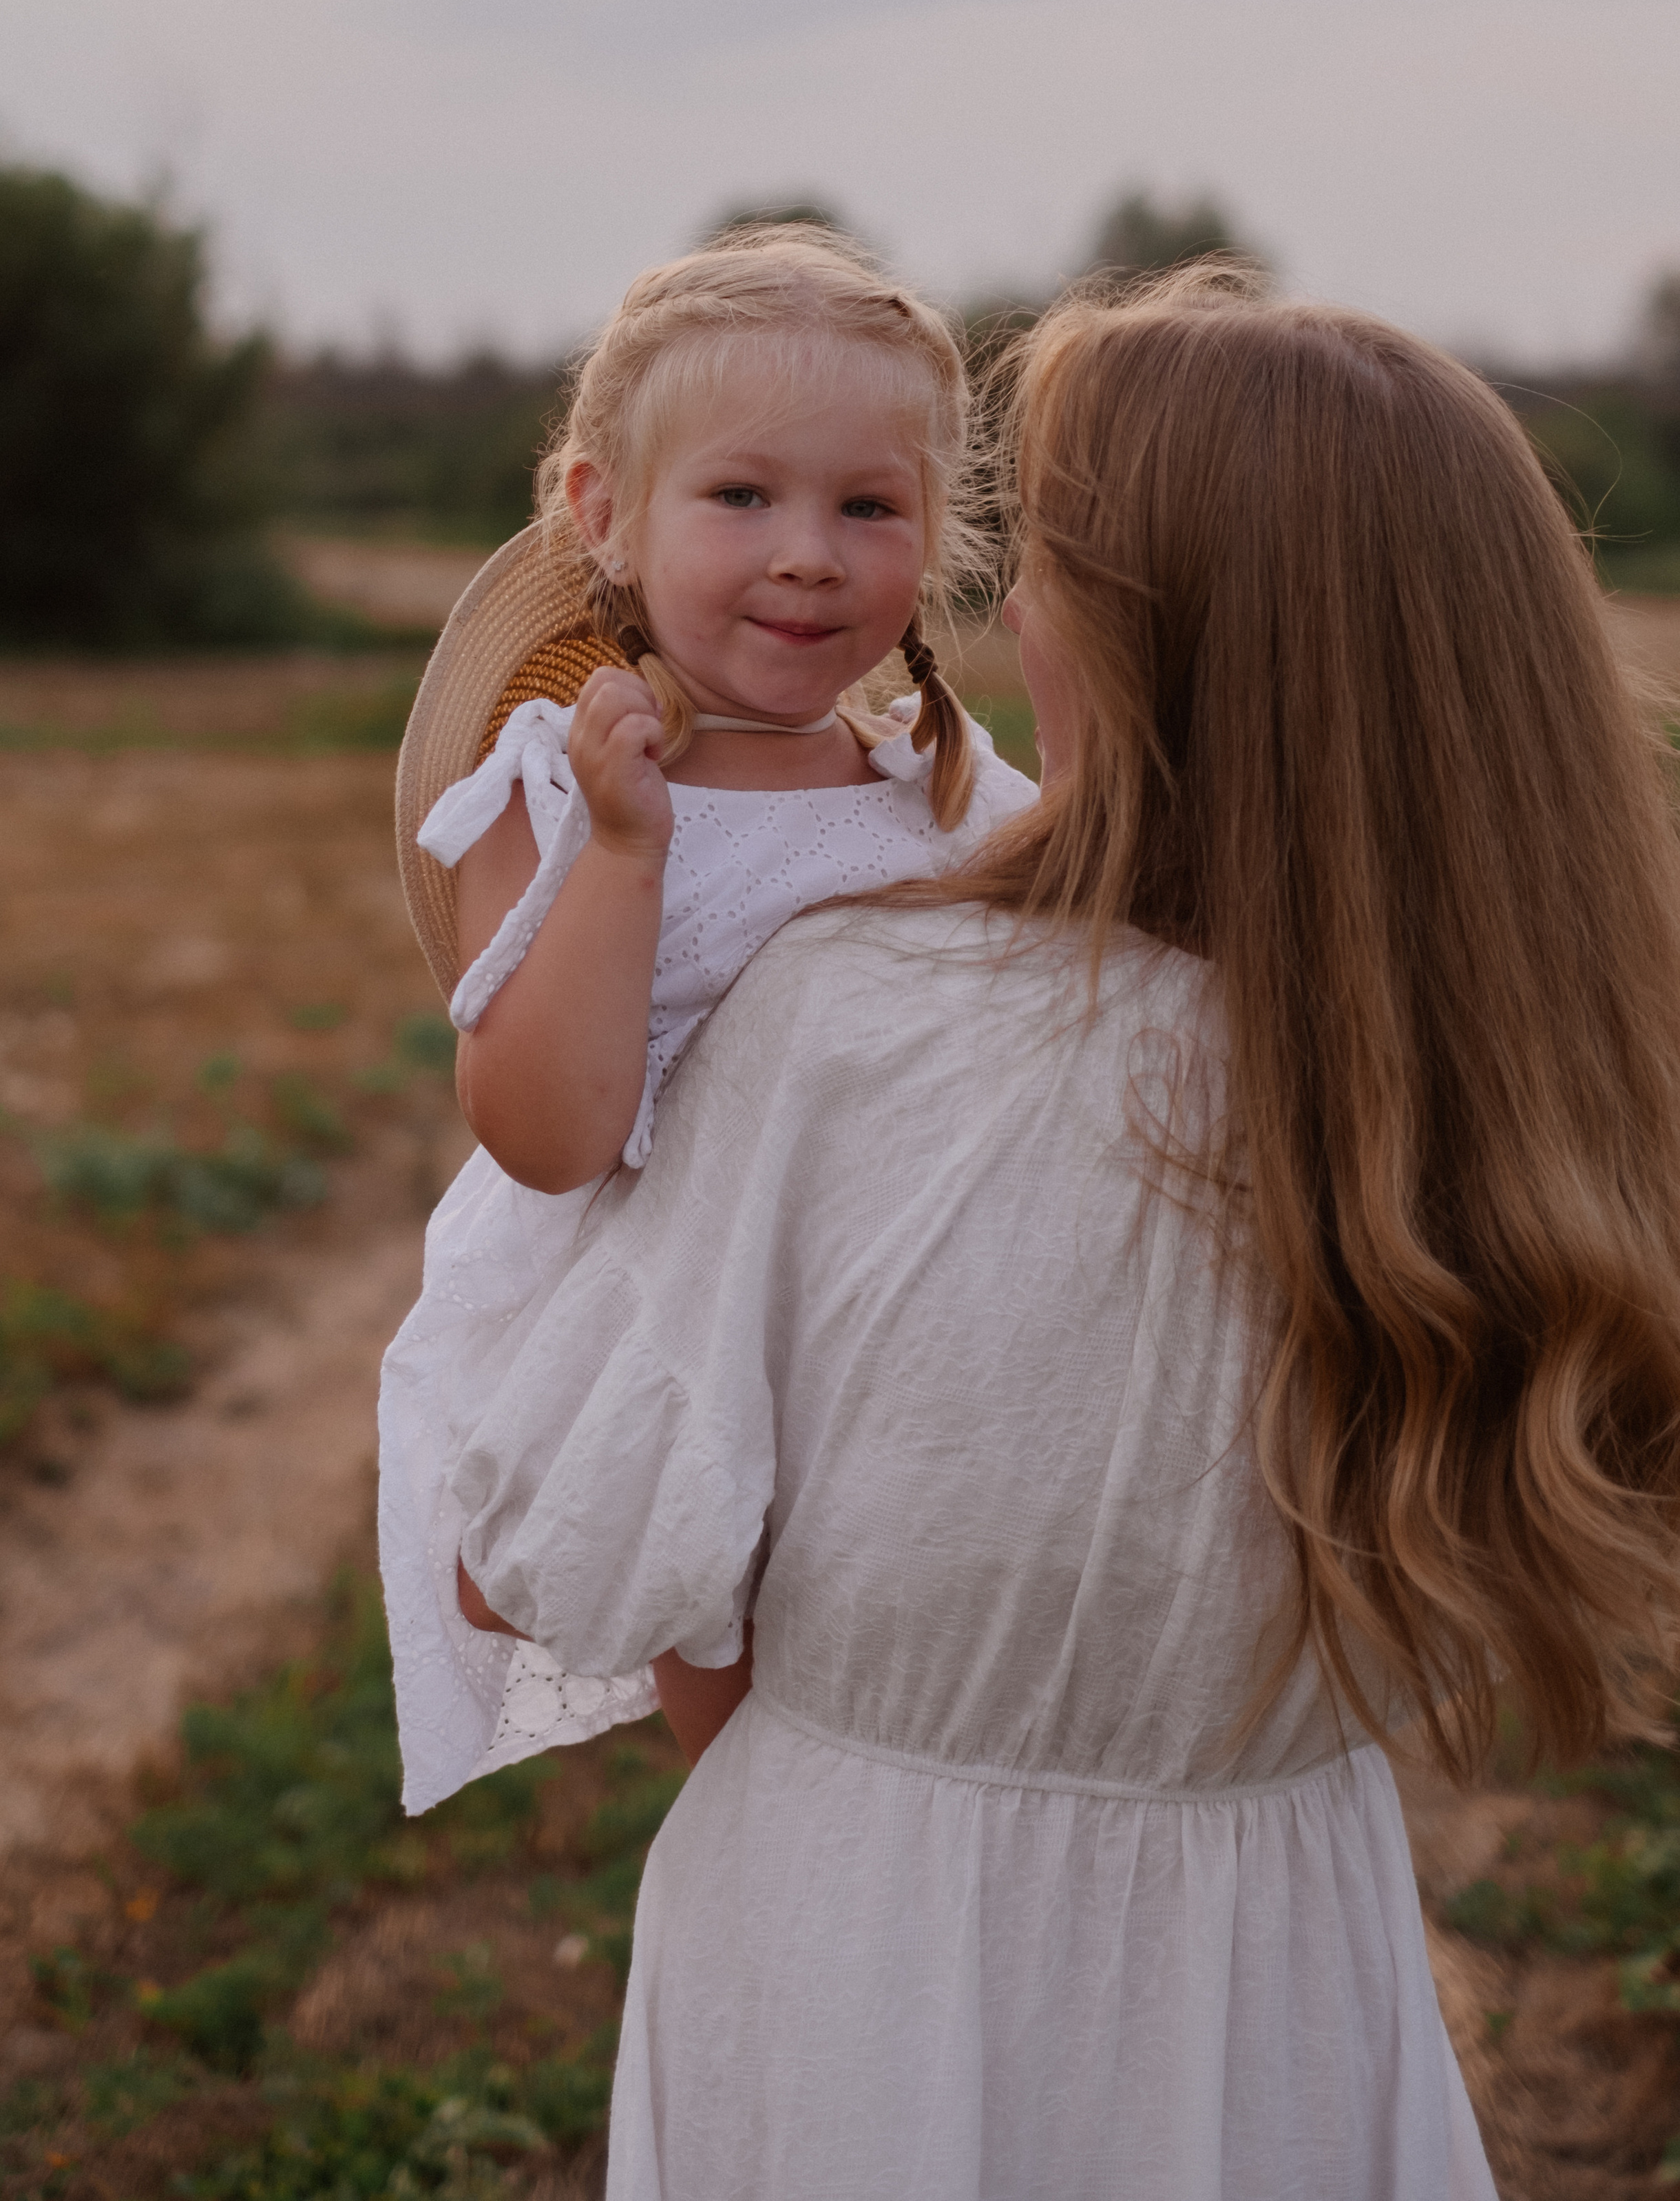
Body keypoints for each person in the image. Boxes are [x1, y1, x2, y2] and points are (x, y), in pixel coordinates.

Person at [450, 267, 1680, 2199]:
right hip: (1289, 1937)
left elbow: (526, 1574)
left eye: (1048, 561)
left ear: (1149, 632)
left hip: (868, 1947)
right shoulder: (1519, 1096)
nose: (1005, 605)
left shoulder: (853, 1018)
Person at [378, 225, 1037, 1813]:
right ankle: (774, 1869)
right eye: (742, 496)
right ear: (602, 516)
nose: (807, 551)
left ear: (929, 540)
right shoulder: (553, 785)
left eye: (866, 507)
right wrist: (624, 852)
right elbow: (546, 1136)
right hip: (664, 1311)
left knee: (901, 1693)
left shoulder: (946, 793)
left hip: (894, 1320)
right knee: (755, 1710)